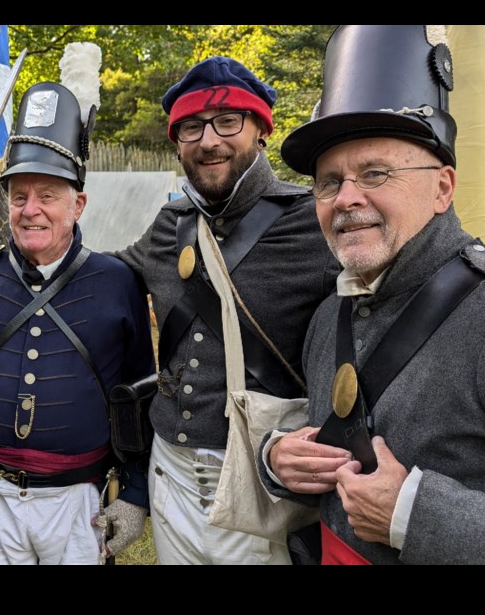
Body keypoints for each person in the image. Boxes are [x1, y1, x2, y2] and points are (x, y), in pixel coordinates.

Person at [264, 24, 485, 565]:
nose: (346, 199)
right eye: (329, 182)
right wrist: (279, 462)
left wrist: (414, 516)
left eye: (375, 173)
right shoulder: (329, 312)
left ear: (443, 187)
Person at [114, 57, 339, 564]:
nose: (209, 140)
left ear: (261, 129)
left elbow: (401, 271)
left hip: (262, 478)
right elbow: (107, 274)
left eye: (228, 121)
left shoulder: (314, 218)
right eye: (191, 127)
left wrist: (480, 266)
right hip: (169, 470)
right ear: (177, 141)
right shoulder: (171, 222)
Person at [0, 81, 155, 565]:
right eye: (19, 197)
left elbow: (140, 395)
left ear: (78, 205)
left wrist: (135, 492)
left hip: (77, 503)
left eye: (48, 196)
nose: (30, 210)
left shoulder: (117, 281)